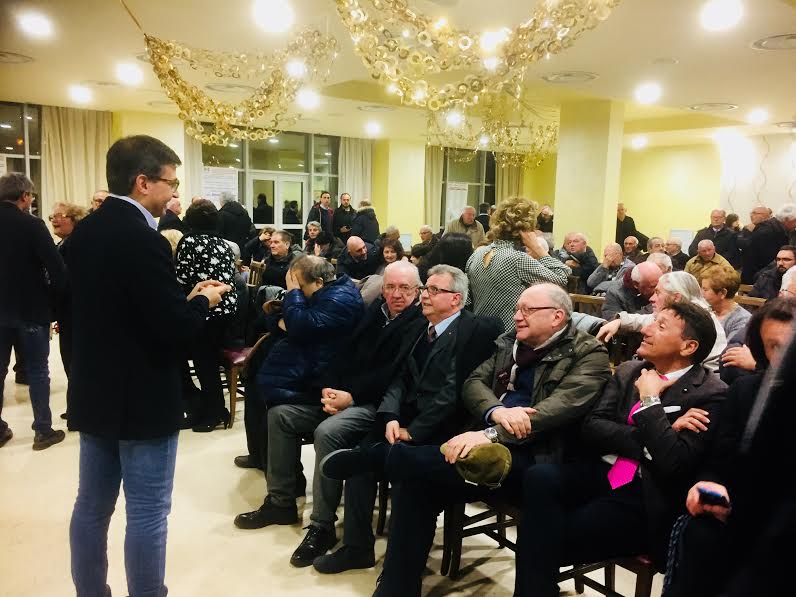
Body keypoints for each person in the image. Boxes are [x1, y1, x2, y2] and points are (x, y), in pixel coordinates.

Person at [321, 283, 612, 589]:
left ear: (557, 317)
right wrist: (496, 412)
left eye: (527, 310)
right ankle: (396, 587)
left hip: (538, 454)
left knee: (415, 467)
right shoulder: (510, 343)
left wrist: (491, 433)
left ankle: (382, 457)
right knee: (417, 482)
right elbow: (473, 382)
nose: (517, 316)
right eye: (517, 309)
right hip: (489, 438)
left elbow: (558, 410)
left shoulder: (589, 354)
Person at [67, 135, 230, 596]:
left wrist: (180, 301)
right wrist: (202, 301)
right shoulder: (144, 240)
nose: (173, 193)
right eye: (170, 183)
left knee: (91, 506)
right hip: (141, 395)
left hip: (94, 386)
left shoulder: (84, 233)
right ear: (143, 182)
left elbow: (99, 307)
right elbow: (174, 328)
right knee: (147, 511)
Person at [515, 301, 725, 597]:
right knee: (540, 477)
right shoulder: (630, 370)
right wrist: (659, 433)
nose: (646, 329)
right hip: (605, 470)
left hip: (646, 492)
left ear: (688, 346)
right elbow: (593, 426)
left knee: (542, 536)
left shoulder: (711, 394)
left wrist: (650, 401)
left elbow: (674, 461)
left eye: (660, 325)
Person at [314, 265, 502, 577]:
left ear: (456, 299)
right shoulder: (421, 327)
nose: (424, 296)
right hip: (405, 419)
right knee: (360, 463)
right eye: (426, 288)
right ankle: (357, 548)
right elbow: (399, 377)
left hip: (442, 429)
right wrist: (390, 416)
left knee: (405, 477)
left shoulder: (471, 332)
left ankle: (400, 563)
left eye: (433, 291)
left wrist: (413, 431)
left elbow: (452, 393)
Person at [664, 298, 795, 597]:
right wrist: (710, 483)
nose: (786, 357)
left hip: (781, 523)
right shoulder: (746, 391)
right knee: (699, 536)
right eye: (774, 346)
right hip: (739, 510)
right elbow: (720, 457)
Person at [234, 257, 364, 537]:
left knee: (273, 402)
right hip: (307, 375)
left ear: (318, 281)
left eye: (299, 286)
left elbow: (301, 326)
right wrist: (290, 314)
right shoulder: (323, 293)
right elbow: (275, 320)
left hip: (322, 385)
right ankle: (282, 499)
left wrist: (293, 303)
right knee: (273, 409)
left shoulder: (341, 298)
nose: (295, 292)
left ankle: (309, 512)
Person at [0, 172, 67, 450]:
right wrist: (56, 301)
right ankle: (42, 430)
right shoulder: (32, 225)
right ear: (25, 196)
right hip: (31, 308)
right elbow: (56, 268)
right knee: (38, 370)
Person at [175, 200, 239, 432]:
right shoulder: (224, 244)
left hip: (204, 307)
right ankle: (207, 408)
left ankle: (212, 411)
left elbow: (181, 278)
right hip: (228, 310)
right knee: (206, 361)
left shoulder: (188, 241)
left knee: (203, 362)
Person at [466, 197, 570, 332]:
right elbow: (561, 278)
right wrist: (537, 247)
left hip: (479, 332)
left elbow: (468, 300)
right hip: (509, 335)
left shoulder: (477, 254)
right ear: (527, 227)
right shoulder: (517, 259)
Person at [598, 270, 728, 372]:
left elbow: (714, 372)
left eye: (658, 293)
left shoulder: (705, 326)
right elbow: (645, 319)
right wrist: (619, 321)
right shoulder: (677, 315)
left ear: (676, 298)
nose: (652, 298)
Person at [50, 201, 86, 387]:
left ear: (75, 219)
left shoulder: (75, 245)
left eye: (59, 216)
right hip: (67, 313)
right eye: (52, 217)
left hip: (75, 312)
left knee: (73, 361)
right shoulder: (63, 243)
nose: (54, 220)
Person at [737, 205, 788, 284]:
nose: (751, 215)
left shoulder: (764, 229)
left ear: (765, 215)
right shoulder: (773, 226)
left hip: (758, 271)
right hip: (765, 269)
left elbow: (747, 245)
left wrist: (747, 232)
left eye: (755, 213)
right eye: (751, 213)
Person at [700, 266, 751, 339]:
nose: (702, 293)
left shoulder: (742, 320)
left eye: (705, 290)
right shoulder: (704, 312)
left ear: (723, 293)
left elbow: (730, 345)